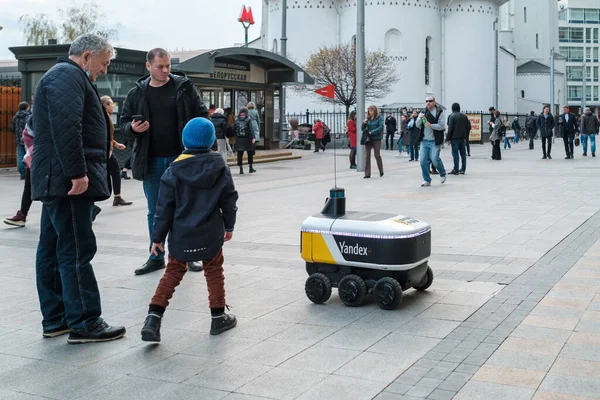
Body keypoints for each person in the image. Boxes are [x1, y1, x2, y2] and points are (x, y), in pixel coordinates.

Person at [31, 34, 125, 343]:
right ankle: (85, 321)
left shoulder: (64, 77)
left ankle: (57, 318)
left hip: (57, 181)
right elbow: (67, 127)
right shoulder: (67, 76)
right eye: (104, 63)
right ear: (86, 56)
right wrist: (77, 173)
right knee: (75, 249)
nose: (105, 70)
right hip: (68, 183)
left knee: (53, 248)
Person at [140, 117, 239, 342]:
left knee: (173, 271)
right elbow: (229, 198)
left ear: (184, 141)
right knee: (213, 271)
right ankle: (218, 317)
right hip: (211, 233)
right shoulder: (219, 165)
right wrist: (229, 225)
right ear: (212, 141)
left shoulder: (173, 170)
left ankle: (153, 318)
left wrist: (157, 238)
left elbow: (163, 208)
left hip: (181, 235)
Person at [120, 48, 208, 275]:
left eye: (168, 65)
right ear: (148, 66)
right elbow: (123, 124)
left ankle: (187, 255)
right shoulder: (136, 93)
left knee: (186, 208)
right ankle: (156, 257)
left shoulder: (185, 88)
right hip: (151, 160)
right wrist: (132, 128)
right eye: (160, 66)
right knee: (155, 211)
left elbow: (202, 116)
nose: (165, 70)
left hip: (183, 159)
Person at [100, 96, 132, 207]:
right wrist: (110, 147)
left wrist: (116, 144)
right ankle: (90, 203)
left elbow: (108, 136)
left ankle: (117, 197)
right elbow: (103, 135)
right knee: (109, 173)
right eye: (111, 103)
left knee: (114, 172)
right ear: (106, 105)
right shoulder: (103, 117)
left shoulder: (106, 116)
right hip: (105, 150)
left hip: (108, 149)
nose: (113, 105)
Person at [5, 115, 34, 227]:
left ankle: (87, 208)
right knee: (29, 186)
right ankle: (22, 214)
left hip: (38, 153)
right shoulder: (31, 117)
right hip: (33, 154)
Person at [416, 96, 447, 186]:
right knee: (422, 161)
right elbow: (417, 125)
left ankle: (442, 173)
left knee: (434, 159)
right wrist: (419, 118)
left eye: (430, 101)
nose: (428, 102)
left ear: (434, 102)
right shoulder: (423, 112)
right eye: (427, 101)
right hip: (424, 140)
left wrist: (431, 125)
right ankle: (427, 180)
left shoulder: (439, 112)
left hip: (434, 140)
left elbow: (441, 126)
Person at [446, 102, 470, 175]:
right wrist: (465, 135)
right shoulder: (464, 116)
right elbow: (468, 127)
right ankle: (463, 169)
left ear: (452, 108)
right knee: (463, 154)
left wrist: (448, 138)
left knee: (455, 154)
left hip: (454, 138)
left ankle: (456, 169)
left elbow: (450, 128)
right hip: (462, 138)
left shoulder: (451, 116)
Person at [361, 105, 384, 178]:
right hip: (368, 138)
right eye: (369, 110)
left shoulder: (379, 118)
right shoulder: (368, 118)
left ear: (375, 111)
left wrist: (372, 132)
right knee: (367, 155)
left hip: (377, 138)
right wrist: (364, 122)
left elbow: (381, 127)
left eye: (371, 110)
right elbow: (362, 128)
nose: (370, 112)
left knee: (377, 154)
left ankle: (381, 170)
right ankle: (367, 173)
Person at [10, 101, 31, 180]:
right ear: (27, 107)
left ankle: (22, 172)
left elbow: (12, 128)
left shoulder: (15, 116)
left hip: (19, 139)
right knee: (29, 155)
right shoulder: (29, 116)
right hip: (28, 139)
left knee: (20, 155)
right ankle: (29, 172)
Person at [235, 107, 256, 173]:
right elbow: (251, 129)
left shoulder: (236, 119)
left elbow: (234, 129)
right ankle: (250, 168)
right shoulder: (248, 119)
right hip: (248, 138)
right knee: (250, 153)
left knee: (240, 154)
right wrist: (253, 137)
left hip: (239, 138)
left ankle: (241, 169)